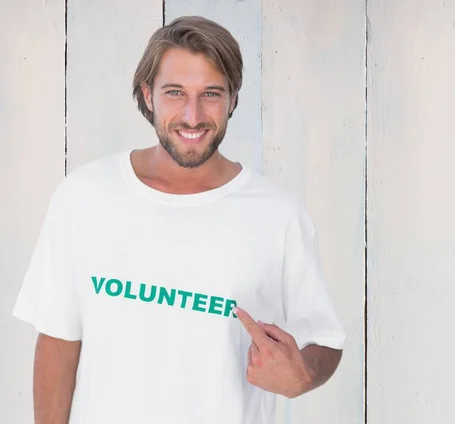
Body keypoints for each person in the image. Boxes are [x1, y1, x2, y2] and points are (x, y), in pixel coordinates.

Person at [13, 15, 345, 424]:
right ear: (147, 94)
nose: (192, 116)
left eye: (210, 93)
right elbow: (59, 340)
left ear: (233, 100)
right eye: (175, 93)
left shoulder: (277, 216)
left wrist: (302, 377)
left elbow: (325, 340)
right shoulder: (84, 196)